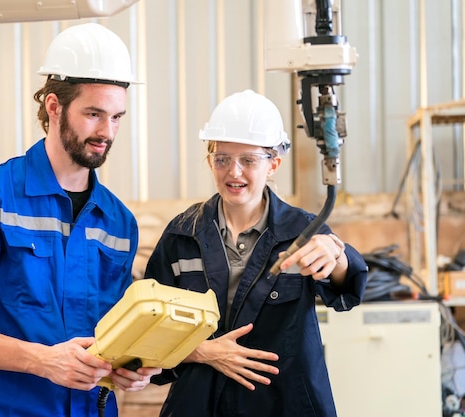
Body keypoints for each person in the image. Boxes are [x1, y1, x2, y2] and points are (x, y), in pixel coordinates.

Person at [0, 23, 161, 417]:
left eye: (117, 117)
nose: (107, 132)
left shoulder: (119, 222)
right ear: (53, 107)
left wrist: (131, 366)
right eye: (93, 114)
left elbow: (115, 330)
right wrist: (42, 360)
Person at [144, 89, 368, 417]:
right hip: (200, 402)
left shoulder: (303, 231)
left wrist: (336, 252)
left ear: (273, 164)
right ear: (210, 161)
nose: (234, 173)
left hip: (283, 403)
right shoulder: (182, 235)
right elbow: (150, 333)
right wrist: (202, 352)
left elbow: (346, 285)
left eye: (248, 160)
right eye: (222, 159)